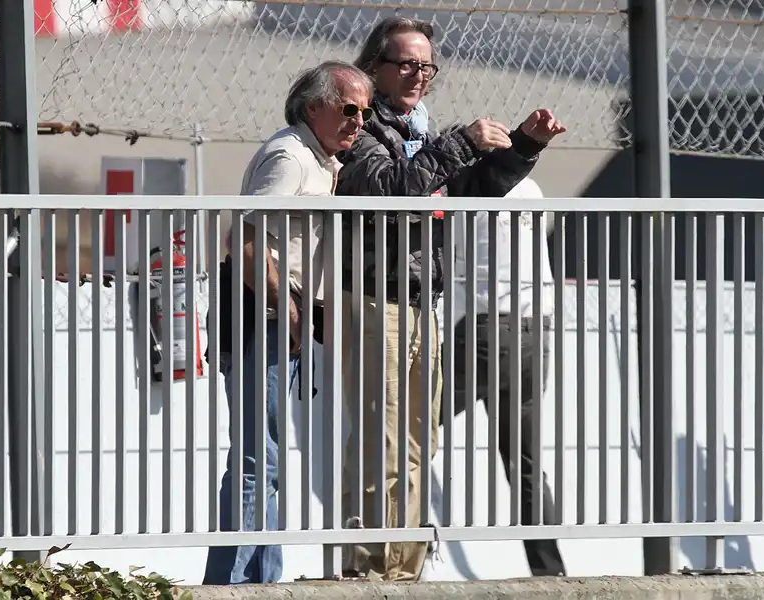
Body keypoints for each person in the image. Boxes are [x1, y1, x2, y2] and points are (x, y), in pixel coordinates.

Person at [333, 16, 566, 581]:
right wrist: (460, 142)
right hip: (377, 297)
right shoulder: (362, 130)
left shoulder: (421, 131)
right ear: (375, 69)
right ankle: (370, 569)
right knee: (382, 442)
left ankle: (404, 570)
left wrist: (524, 146)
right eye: (406, 64)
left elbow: (463, 191)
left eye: (427, 65)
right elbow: (391, 189)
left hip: (423, 303)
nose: (419, 75)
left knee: (415, 444)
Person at [203, 60, 373, 585]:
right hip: (263, 317)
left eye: (364, 112)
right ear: (313, 106)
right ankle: (226, 586)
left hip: (278, 317)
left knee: (266, 461)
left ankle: (263, 580)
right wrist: (289, 307)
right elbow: (246, 241)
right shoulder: (290, 156)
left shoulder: (318, 158)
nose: (359, 122)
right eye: (349, 109)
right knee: (259, 460)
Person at [444, 176, 567, 576]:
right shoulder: (531, 188)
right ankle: (549, 572)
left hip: (482, 327)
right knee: (524, 459)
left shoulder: (463, 187)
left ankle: (391, 552)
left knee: (411, 431)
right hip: (535, 328)